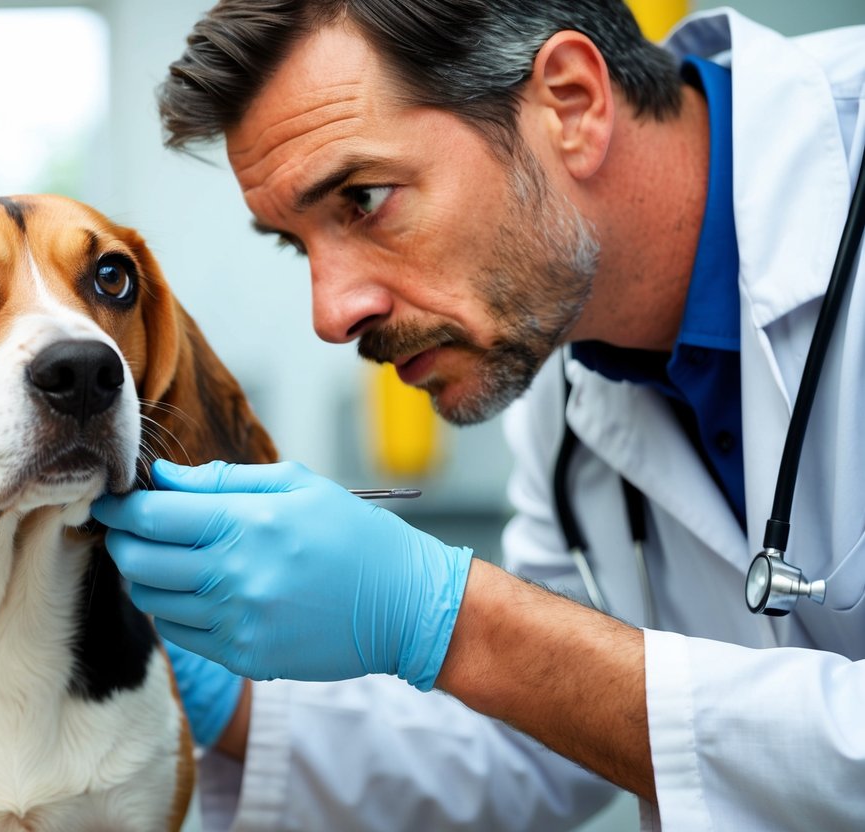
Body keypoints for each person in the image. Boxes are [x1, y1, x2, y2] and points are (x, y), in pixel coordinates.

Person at [90, 2, 865, 829]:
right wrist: (225, 704)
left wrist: (452, 620)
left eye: (364, 198)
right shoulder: (566, 378)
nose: (331, 312)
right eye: (299, 243)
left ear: (570, 105)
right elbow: (536, 741)